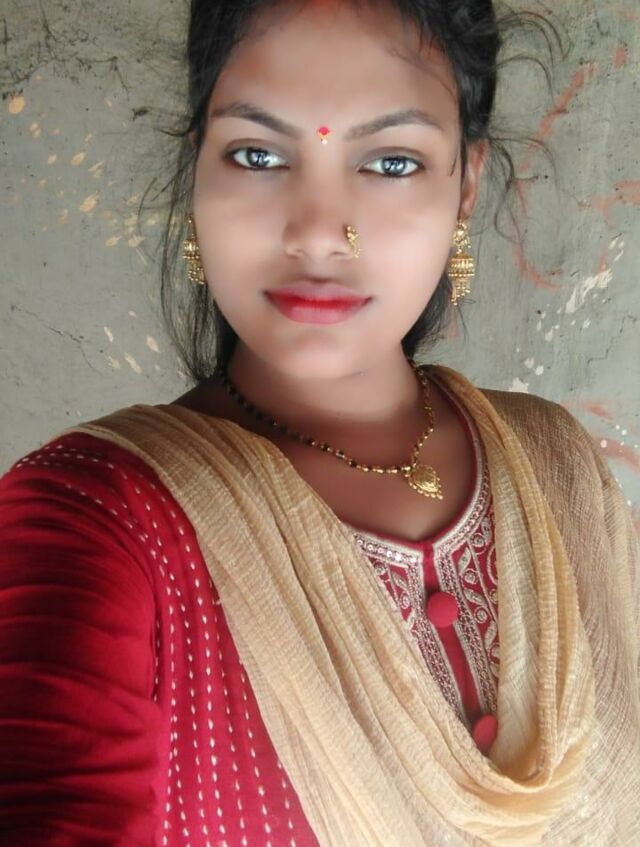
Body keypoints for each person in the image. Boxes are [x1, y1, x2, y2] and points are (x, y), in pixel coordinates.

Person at [1, 0, 638, 844]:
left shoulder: (560, 465)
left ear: (466, 184)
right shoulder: (94, 520)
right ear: (198, 173)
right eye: (258, 155)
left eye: (392, 162)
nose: (317, 235)